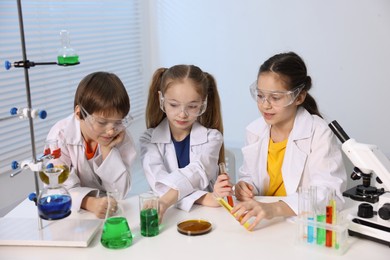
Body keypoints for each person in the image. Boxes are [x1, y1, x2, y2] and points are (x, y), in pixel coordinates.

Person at [213, 52, 347, 230]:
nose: (265, 105)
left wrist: (274, 208)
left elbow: (329, 192)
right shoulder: (255, 130)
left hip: (299, 226)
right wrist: (244, 187)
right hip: (262, 223)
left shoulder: (319, 132)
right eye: (260, 96)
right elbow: (250, 176)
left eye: (275, 97)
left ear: (298, 97)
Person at [45, 71, 137, 218]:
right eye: (102, 122)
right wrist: (89, 202)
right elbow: (57, 187)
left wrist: (107, 150)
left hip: (110, 210)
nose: (111, 130)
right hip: (71, 212)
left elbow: (121, 192)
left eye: (118, 121)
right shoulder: (60, 137)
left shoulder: (120, 136)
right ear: (79, 113)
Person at [140, 64, 224, 221]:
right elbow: (159, 184)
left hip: (206, 217)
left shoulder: (213, 137)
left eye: (192, 106)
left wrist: (165, 201)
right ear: (161, 99)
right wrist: (206, 199)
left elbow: (198, 171)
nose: (182, 114)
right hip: (175, 214)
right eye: (173, 105)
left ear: (203, 103)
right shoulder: (148, 139)